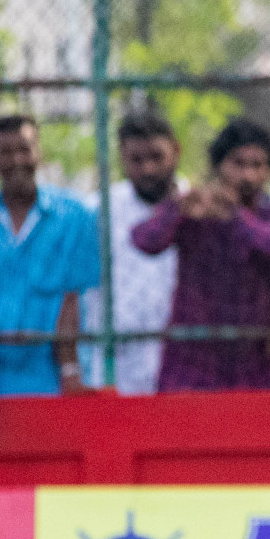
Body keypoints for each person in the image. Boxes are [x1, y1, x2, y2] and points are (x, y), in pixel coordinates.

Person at [133, 118, 270, 392]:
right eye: (238, 164)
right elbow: (144, 241)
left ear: (269, 171)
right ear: (219, 166)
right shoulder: (193, 211)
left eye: (258, 165)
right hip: (192, 359)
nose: (248, 175)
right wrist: (176, 211)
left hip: (254, 360)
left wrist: (235, 216)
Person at [0, 115, 97, 396]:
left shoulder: (74, 218)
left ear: (38, 152)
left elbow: (74, 298)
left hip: (51, 381)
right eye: (6, 152)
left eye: (24, 149)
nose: (17, 160)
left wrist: (71, 371)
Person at [83, 111, 186, 394]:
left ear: (176, 151)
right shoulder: (99, 211)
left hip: (182, 364)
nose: (148, 169)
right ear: (122, 158)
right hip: (117, 368)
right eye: (136, 160)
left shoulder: (197, 207)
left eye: (156, 157)